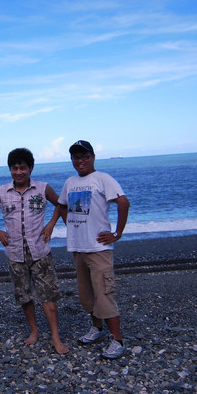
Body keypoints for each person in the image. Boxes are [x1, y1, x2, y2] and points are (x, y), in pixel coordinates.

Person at [0, 148, 69, 355]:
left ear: (30, 168)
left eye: (22, 168)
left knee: (48, 296)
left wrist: (51, 225)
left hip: (40, 251)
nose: (18, 172)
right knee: (24, 296)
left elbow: (61, 204)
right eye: (14, 168)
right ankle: (34, 330)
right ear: (10, 169)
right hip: (15, 253)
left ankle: (55, 336)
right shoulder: (2, 191)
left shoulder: (42, 188)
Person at [57, 140, 130, 360]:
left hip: (99, 248)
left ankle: (117, 340)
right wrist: (69, 224)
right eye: (76, 157)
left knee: (105, 294)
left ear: (93, 157)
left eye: (84, 156)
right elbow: (62, 205)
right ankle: (96, 328)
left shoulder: (103, 178)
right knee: (86, 295)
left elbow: (123, 202)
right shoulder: (70, 182)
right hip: (78, 248)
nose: (80, 161)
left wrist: (117, 233)